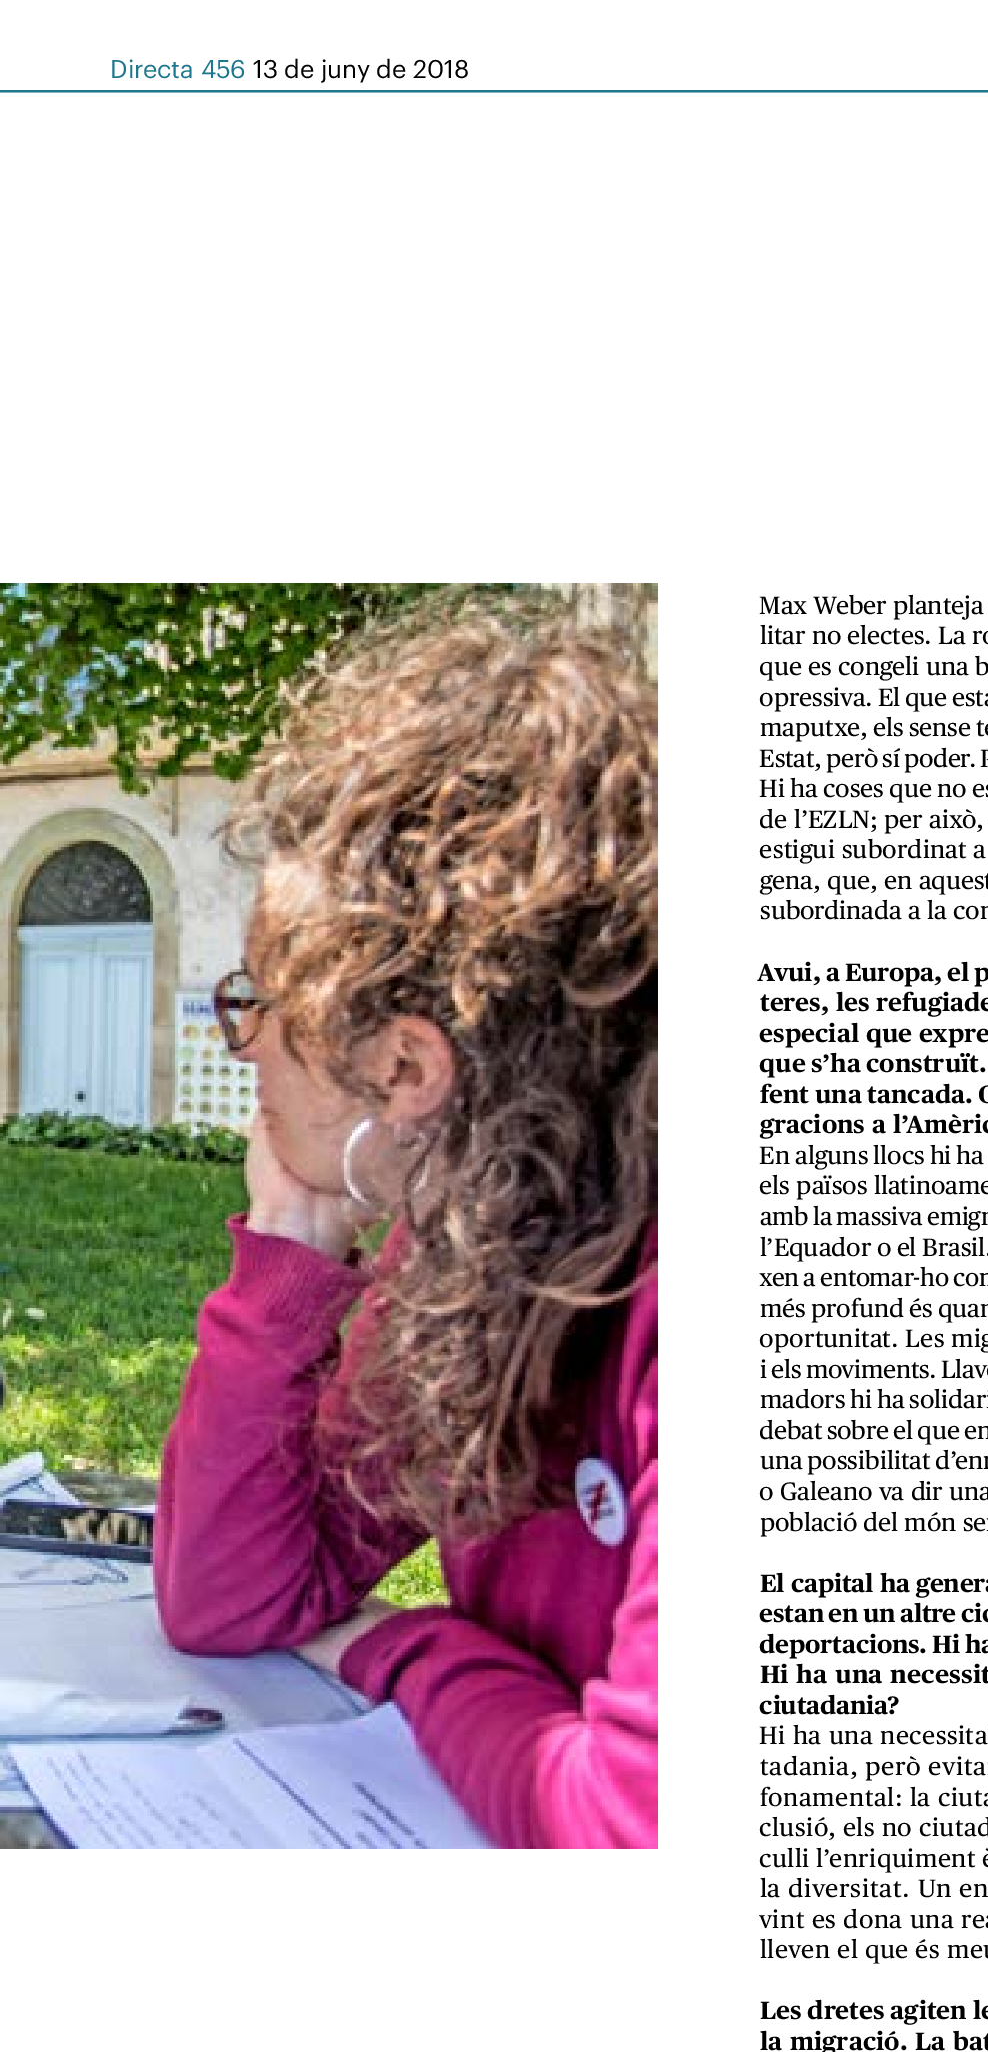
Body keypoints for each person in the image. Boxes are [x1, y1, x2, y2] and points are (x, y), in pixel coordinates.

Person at [153, 592, 657, 1849]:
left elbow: (623, 1821)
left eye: (259, 999)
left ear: (407, 1065)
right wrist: (288, 1254)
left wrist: (407, 1644)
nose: (243, 1044)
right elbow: (231, 1597)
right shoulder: (477, 1247)